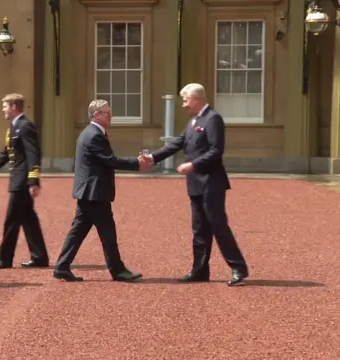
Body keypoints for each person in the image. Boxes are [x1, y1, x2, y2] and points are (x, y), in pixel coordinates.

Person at [140, 83, 249, 286]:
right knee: (199, 228)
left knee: (218, 226)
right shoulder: (193, 121)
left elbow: (216, 150)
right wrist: (152, 157)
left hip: (211, 182)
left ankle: (238, 268)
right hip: (195, 184)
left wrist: (193, 164)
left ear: (197, 98)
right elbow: (177, 143)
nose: (183, 104)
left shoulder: (213, 119)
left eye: (186, 100)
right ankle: (199, 270)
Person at [53, 99, 149, 282]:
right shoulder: (94, 135)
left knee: (78, 231)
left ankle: (62, 266)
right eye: (107, 113)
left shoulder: (92, 133)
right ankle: (117, 270)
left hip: (89, 192)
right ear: (96, 115)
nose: (110, 115)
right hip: (94, 192)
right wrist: (136, 163)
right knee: (107, 232)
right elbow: (110, 160)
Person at [0, 93, 49, 269]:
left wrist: (33, 181)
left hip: (22, 181)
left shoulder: (26, 126)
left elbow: (33, 154)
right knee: (28, 219)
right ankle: (40, 257)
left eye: (5, 106)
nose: (3, 110)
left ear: (14, 107)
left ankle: (4, 258)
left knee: (12, 219)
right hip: (18, 180)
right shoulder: (14, 127)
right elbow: (6, 154)